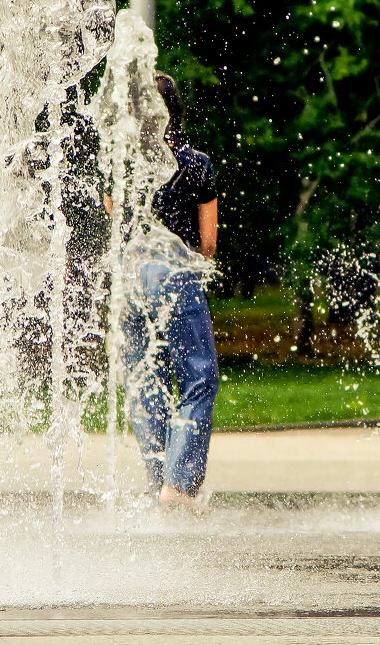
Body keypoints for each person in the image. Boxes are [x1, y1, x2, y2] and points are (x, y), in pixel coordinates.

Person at [122, 72, 220, 509]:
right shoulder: (195, 162)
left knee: (147, 382)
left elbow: (114, 218)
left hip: (130, 278)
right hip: (174, 273)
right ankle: (178, 487)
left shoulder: (123, 162)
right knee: (199, 378)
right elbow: (208, 244)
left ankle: (157, 481)